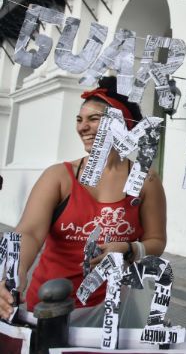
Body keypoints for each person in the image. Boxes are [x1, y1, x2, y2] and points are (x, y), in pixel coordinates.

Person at [0, 76, 167, 325]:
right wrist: (12, 274)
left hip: (111, 310)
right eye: (79, 120)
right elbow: (30, 233)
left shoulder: (145, 180)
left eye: (93, 119)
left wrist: (130, 249)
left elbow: (156, 241)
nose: (82, 127)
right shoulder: (58, 176)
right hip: (49, 307)